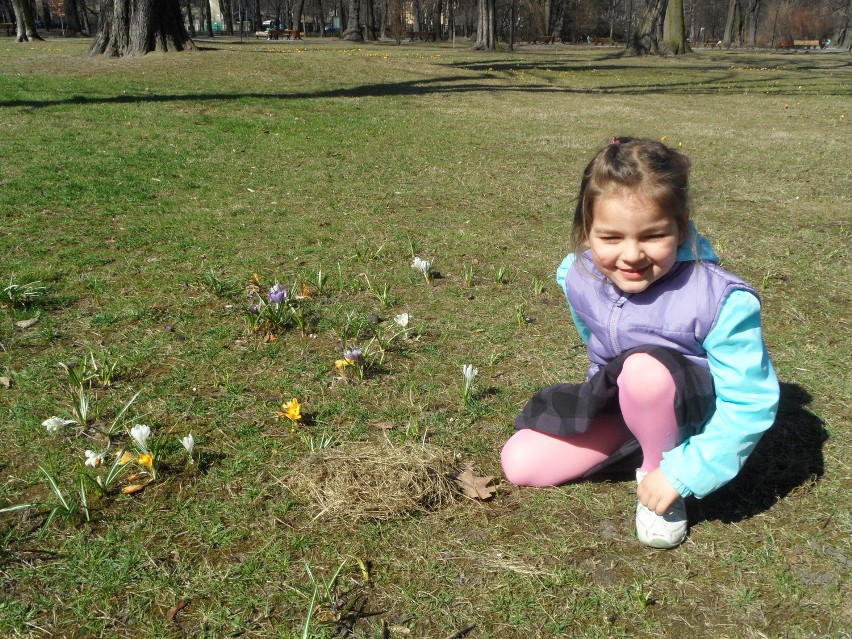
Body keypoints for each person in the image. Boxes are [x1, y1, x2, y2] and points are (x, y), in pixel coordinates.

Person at [501, 136, 780, 549]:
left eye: (653, 236)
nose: (631, 255)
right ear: (586, 229)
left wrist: (683, 471)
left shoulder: (720, 300)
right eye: (610, 238)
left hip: (694, 418)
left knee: (644, 371)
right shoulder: (577, 276)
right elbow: (598, 350)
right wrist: (601, 406)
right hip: (628, 398)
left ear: (681, 226)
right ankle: (644, 437)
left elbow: (749, 403)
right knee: (520, 463)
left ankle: (657, 469)